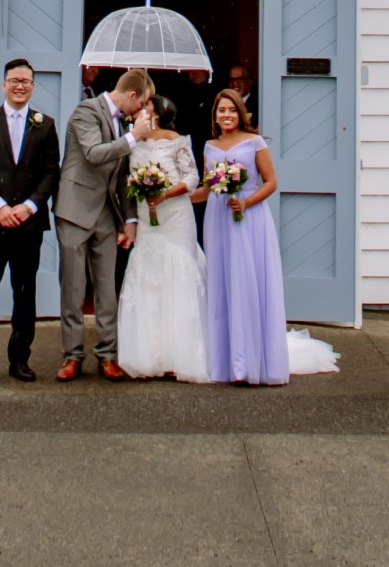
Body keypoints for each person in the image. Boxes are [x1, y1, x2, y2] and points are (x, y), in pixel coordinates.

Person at [54, 66, 155, 381]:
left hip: (106, 215)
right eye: (141, 104)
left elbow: (123, 175)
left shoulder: (124, 122)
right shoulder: (85, 111)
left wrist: (129, 218)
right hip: (75, 209)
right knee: (73, 287)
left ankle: (107, 356)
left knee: (107, 289)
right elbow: (94, 154)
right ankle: (72, 357)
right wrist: (133, 137)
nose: (141, 111)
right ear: (131, 95)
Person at [0, 58, 61, 385]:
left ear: (33, 86)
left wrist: (31, 207)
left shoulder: (44, 124)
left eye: (26, 81)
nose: (20, 86)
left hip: (28, 225)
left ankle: (20, 359)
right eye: (14, 80)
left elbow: (51, 172)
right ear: (4, 84)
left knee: (24, 292)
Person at [195, 87, 289, 385]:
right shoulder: (210, 146)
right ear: (215, 115)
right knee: (224, 283)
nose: (226, 115)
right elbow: (206, 188)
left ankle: (249, 361)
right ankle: (227, 362)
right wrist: (174, 198)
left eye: (231, 110)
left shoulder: (254, 142)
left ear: (240, 113)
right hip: (219, 218)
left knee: (247, 282)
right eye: (221, 110)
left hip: (249, 217)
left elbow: (271, 182)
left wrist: (246, 202)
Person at [116, 93, 208, 382]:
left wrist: (164, 194)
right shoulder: (132, 142)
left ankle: (177, 354)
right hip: (145, 216)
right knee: (148, 274)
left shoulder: (178, 140)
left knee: (175, 273)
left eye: (146, 107)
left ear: (156, 113)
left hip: (175, 216)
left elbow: (192, 179)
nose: (139, 111)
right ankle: (147, 353)